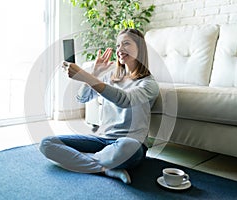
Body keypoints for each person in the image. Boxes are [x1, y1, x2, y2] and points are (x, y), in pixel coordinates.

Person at [39, 28, 159, 184]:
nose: (120, 49)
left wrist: (85, 76)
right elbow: (82, 98)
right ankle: (105, 168)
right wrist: (95, 73)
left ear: (140, 48)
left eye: (126, 44)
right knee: (47, 143)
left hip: (130, 144)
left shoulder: (148, 84)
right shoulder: (111, 77)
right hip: (102, 140)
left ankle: (85, 159)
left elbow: (125, 99)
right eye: (117, 45)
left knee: (126, 147)